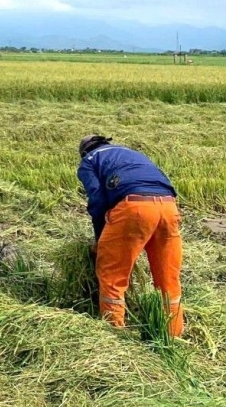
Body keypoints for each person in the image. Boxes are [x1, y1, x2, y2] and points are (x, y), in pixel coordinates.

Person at [76, 135, 184, 337]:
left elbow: (97, 201)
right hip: (169, 207)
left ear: (84, 151)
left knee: (112, 277)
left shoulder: (89, 161)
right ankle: (173, 336)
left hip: (134, 208)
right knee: (168, 279)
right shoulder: (131, 153)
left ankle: (116, 336)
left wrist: (101, 240)